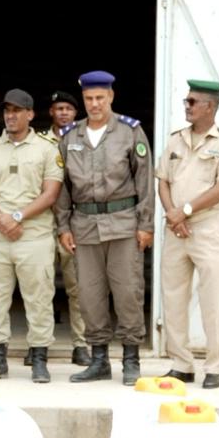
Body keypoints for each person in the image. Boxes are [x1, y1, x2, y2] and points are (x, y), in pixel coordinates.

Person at [55, 71, 155, 386]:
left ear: (111, 96)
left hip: (123, 224)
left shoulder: (130, 132)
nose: (95, 104)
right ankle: (99, 360)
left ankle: (131, 359)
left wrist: (146, 224)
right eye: (89, 99)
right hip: (84, 226)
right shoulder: (70, 136)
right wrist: (63, 225)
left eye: (100, 98)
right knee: (90, 295)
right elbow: (62, 186)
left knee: (128, 292)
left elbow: (145, 181)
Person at [156, 79, 219, 390]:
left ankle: (214, 367)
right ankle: (181, 364)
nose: (187, 106)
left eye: (193, 102)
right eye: (186, 101)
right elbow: (163, 180)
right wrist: (173, 214)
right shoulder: (175, 140)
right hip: (176, 229)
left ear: (210, 106)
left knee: (212, 300)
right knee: (173, 298)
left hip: (206, 227)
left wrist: (186, 211)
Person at [0, 89, 64, 383]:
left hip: (33, 237)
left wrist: (16, 217)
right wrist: (1, 220)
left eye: (16, 110)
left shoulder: (47, 149)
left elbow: (50, 194)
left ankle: (39, 358)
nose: (10, 116)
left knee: (39, 299)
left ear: (30, 114)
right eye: (7, 110)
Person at [27, 90, 90, 368]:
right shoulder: (39, 142)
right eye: (58, 108)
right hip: (43, 221)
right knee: (39, 287)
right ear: (51, 112)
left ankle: (81, 345)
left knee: (79, 288)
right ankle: (37, 345)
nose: (63, 112)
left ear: (76, 113)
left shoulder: (85, 139)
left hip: (75, 223)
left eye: (68, 108)